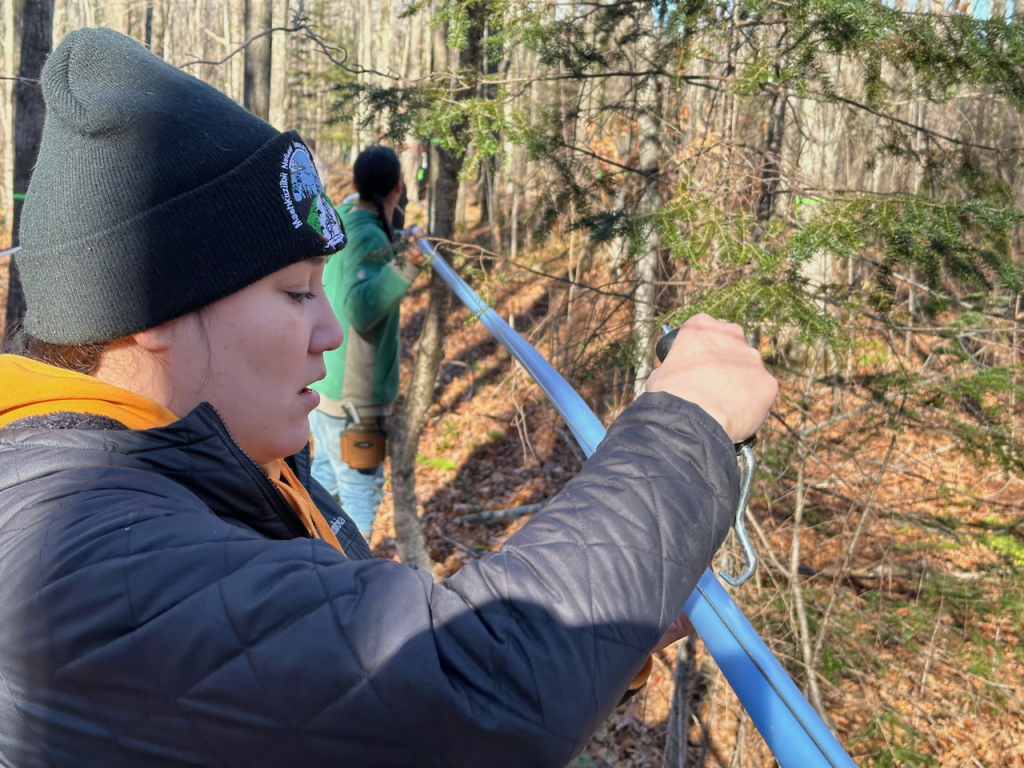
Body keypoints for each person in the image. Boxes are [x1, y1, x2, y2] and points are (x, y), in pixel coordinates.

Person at [0, 28, 777, 768]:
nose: (329, 332)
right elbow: (455, 688)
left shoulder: (200, 463)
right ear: (153, 310)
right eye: (296, 292)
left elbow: (337, 680)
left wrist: (611, 631)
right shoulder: (72, 552)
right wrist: (686, 429)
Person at [308, 145, 422, 540]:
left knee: (322, 484)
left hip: (325, 387)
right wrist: (408, 264)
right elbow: (361, 307)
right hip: (355, 400)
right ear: (397, 188)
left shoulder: (341, 220)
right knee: (359, 496)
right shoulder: (368, 237)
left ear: (354, 184)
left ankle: (312, 563)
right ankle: (351, 586)